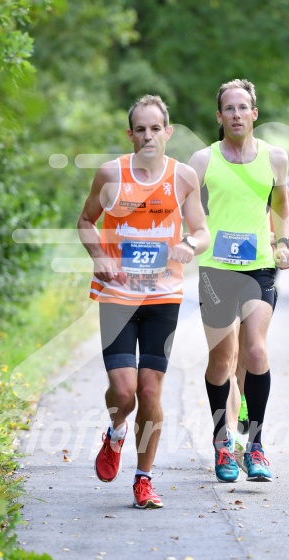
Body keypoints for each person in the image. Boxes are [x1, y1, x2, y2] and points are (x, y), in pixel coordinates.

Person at [77, 95, 210, 509]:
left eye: (156, 128)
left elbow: (202, 230)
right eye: (141, 129)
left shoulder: (182, 177)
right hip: (117, 296)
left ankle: (144, 478)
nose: (148, 135)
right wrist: (98, 255)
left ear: (168, 132)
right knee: (124, 391)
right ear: (130, 134)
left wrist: (190, 244)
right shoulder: (109, 175)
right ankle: (116, 431)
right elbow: (85, 221)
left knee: (150, 390)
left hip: (163, 297)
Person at [189, 78, 289, 483]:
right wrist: (190, 239)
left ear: (254, 113)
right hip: (216, 271)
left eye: (242, 107)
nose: (236, 114)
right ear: (220, 117)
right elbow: (185, 207)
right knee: (221, 361)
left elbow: (282, 205)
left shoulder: (275, 158)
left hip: (259, 268)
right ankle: (222, 442)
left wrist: (282, 243)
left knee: (256, 352)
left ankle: (257, 446)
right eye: (228, 108)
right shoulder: (202, 160)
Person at [234, 182, 289, 435]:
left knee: (249, 346)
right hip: (225, 272)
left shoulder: (276, 193)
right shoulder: (232, 193)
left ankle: (243, 406)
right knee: (230, 351)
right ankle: (236, 404)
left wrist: (271, 238)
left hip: (262, 274)